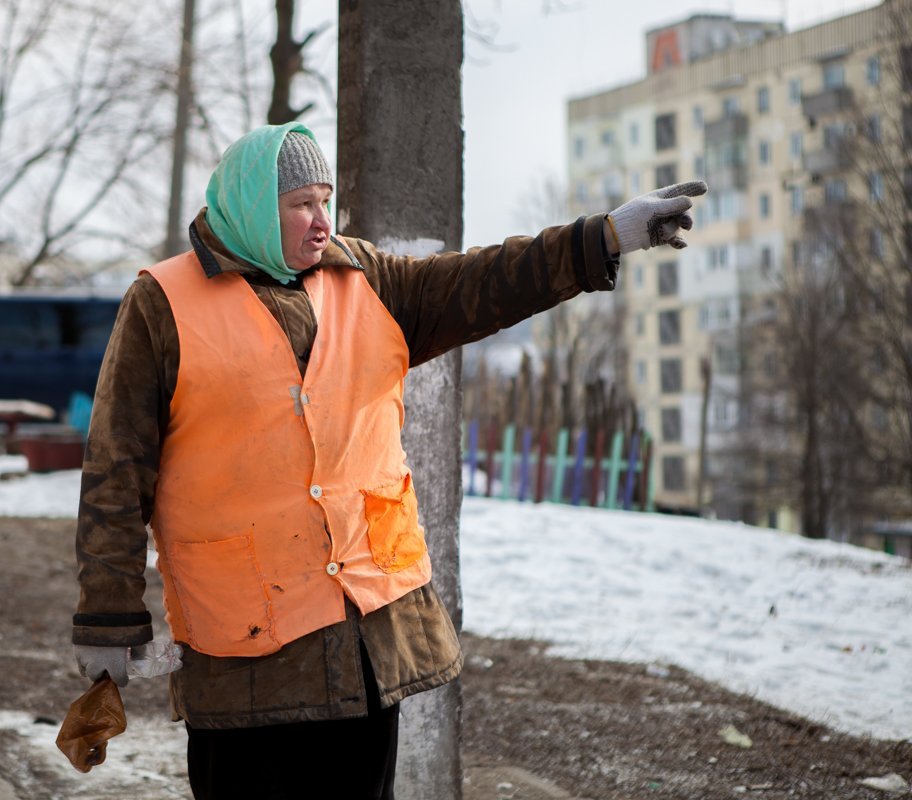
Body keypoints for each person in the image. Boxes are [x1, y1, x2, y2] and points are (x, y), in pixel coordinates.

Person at [71, 121, 706, 799]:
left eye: (325, 200)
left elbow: (482, 281)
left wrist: (602, 238)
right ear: (254, 207)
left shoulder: (362, 277)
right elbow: (116, 469)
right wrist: (108, 615)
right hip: (245, 659)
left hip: (365, 646)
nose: (322, 222)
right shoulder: (162, 305)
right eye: (301, 205)